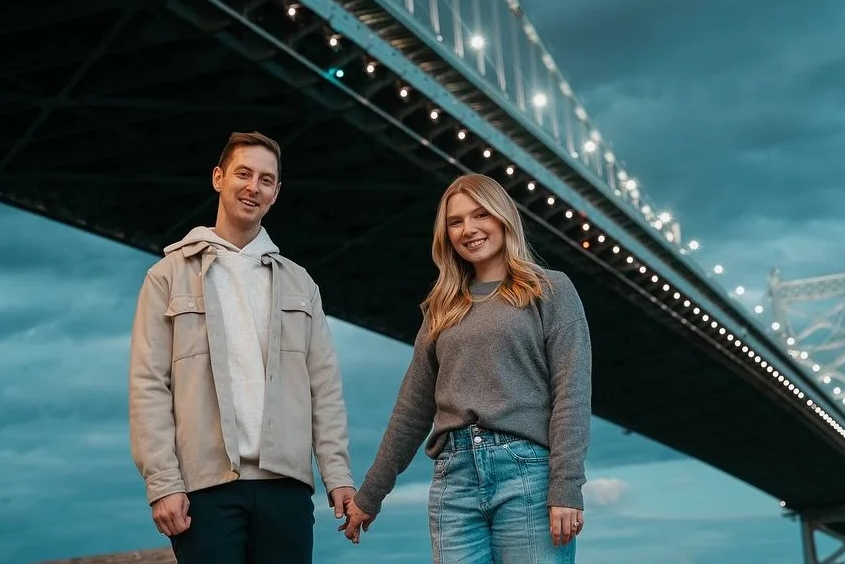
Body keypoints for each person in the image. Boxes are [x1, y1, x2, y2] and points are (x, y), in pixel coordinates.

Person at [128, 131, 355, 564]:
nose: (253, 187)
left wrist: (338, 474)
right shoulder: (167, 276)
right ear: (218, 178)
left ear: (276, 193)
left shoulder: (301, 283)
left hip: (285, 487)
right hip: (205, 488)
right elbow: (149, 386)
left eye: (266, 180)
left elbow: (323, 388)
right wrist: (163, 484)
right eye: (243, 174)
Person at [341, 173, 593, 563]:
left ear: (503, 217)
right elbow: (412, 409)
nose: (468, 230)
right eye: (455, 222)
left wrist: (566, 488)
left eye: (480, 215)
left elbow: (572, 394)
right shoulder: (441, 308)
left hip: (527, 476)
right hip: (453, 482)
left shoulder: (550, 290)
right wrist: (370, 494)